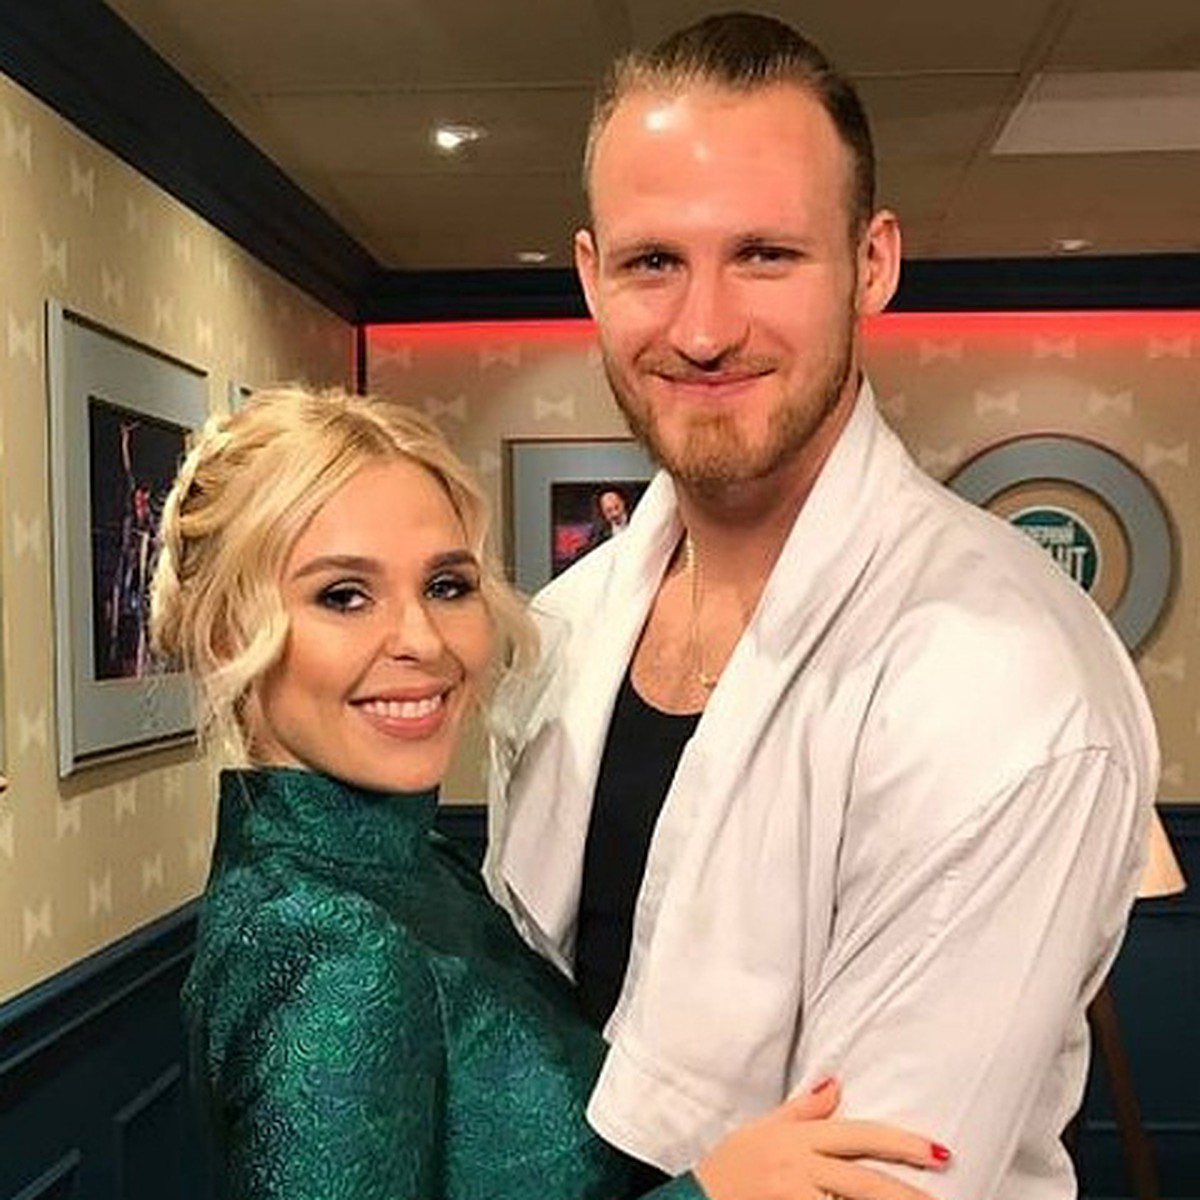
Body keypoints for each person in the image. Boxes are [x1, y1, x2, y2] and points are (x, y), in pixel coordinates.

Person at [484, 13, 1159, 1200]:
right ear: (590, 277)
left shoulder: (1003, 679)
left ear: (873, 263)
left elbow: (876, 1185)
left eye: (765, 254)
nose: (703, 330)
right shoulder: (566, 626)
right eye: (653, 263)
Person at [150, 387, 950, 1200]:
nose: (423, 640)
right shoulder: (333, 945)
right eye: (344, 596)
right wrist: (716, 1192)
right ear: (225, 634)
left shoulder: (410, 865)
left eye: (447, 585)